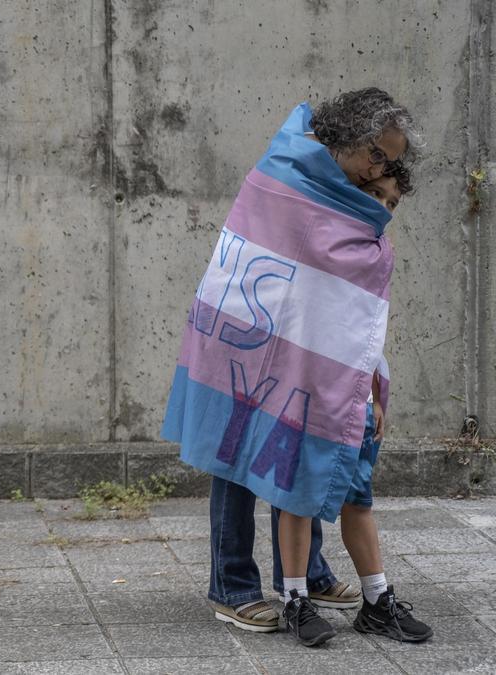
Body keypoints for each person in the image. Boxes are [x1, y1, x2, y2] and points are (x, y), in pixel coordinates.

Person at [161, 87, 422, 647]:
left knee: (303, 437)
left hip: (309, 342)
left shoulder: (355, 195)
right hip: (246, 335)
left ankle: (305, 576)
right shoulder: (284, 171)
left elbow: (342, 292)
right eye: (378, 154)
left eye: (391, 161)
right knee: (239, 452)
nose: (383, 167)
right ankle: (231, 587)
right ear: (348, 137)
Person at [269, 163, 433, 644]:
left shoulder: (378, 255)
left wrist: (375, 392)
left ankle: (377, 601)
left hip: (355, 398)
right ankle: (296, 601)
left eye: (391, 202)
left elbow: (371, 329)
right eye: (374, 195)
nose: (381, 208)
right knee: (297, 499)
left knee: (358, 500)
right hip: (309, 393)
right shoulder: (317, 244)